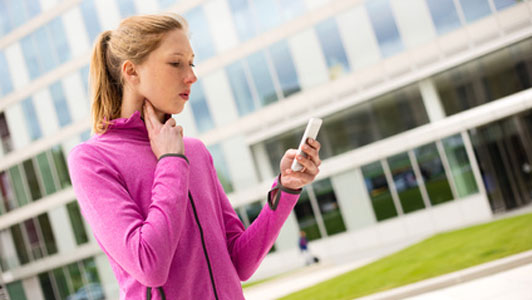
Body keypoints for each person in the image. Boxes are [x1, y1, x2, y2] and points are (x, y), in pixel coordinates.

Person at [67, 13, 322, 300]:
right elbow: (149, 265)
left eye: (191, 63)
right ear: (132, 72)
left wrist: (287, 188)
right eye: (176, 63)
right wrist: (170, 163)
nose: (191, 76)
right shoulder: (92, 159)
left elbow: (239, 262)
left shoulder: (195, 152)